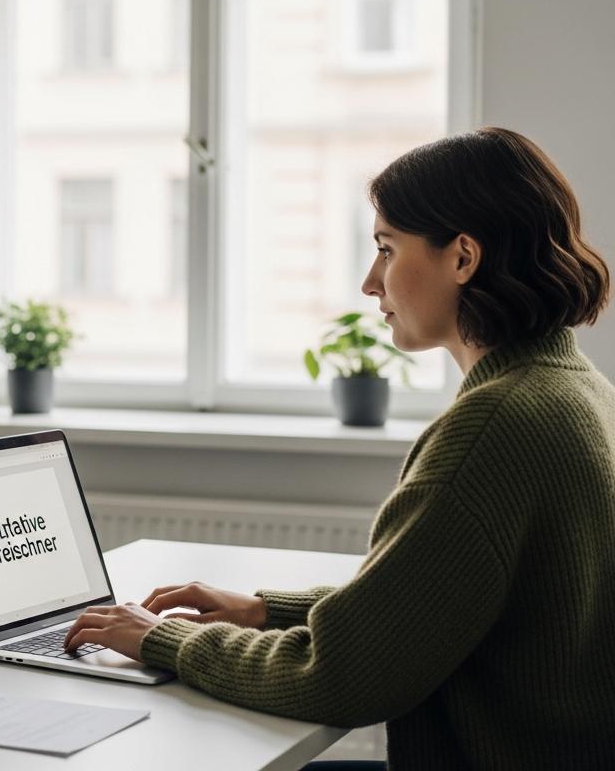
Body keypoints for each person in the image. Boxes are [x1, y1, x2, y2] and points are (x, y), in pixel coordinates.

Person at [64, 127, 615, 769]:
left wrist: (165, 639)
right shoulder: (578, 391)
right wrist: (266, 610)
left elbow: (342, 677)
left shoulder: (497, 425)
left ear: (463, 258)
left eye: (386, 249)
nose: (370, 282)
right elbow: (426, 606)